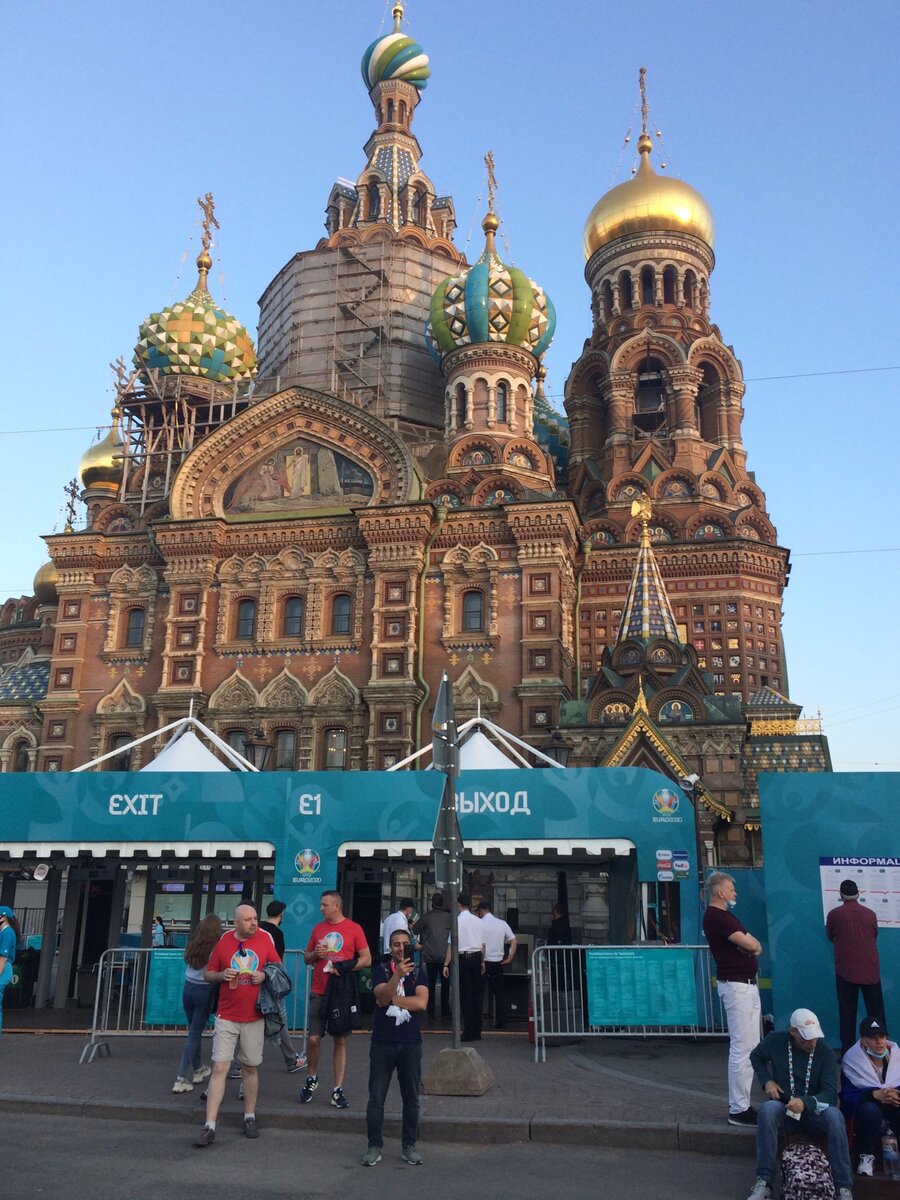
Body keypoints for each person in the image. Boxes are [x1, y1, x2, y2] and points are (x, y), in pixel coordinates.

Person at [193, 903, 281, 1147]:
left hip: (255, 1016)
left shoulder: (264, 940)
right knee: (220, 1067)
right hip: (227, 1016)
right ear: (236, 923)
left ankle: (249, 1116)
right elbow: (208, 974)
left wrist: (264, 975)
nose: (254, 923)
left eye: (255, 918)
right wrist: (222, 975)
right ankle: (209, 1125)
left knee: (250, 1068)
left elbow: (278, 968)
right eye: (248, 920)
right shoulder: (224, 942)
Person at [746, 1008, 853, 1200]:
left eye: (814, 1038)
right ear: (793, 1032)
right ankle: (764, 1181)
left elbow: (830, 1095)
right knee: (768, 1110)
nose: (812, 1043)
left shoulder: (825, 1052)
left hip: (814, 1113)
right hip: (785, 1109)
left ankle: (843, 1187)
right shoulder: (776, 1041)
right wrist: (767, 1081)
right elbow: (755, 1056)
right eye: (805, 1039)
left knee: (835, 1116)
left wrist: (806, 1102)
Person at [360, 927, 428, 1168]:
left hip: (410, 1043)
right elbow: (380, 995)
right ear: (390, 947)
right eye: (396, 944)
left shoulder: (419, 972)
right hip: (383, 1042)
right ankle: (374, 1146)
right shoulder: (380, 970)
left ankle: (409, 1145)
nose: (400, 948)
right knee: (376, 1097)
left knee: (411, 1098)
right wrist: (397, 976)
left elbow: (421, 1003)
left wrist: (392, 999)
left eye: (404, 944)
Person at [299, 889, 371, 1108]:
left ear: (337, 906)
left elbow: (366, 959)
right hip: (319, 990)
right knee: (313, 1039)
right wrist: (315, 954)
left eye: (325, 905)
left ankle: (337, 1089)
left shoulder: (354, 928)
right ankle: (311, 1077)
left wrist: (344, 967)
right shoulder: (318, 929)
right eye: (321, 905)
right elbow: (306, 957)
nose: (321, 908)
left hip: (341, 993)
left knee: (340, 1039)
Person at [703, 870, 762, 1126]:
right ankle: (738, 1108)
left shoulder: (726, 917)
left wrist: (752, 946)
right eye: (731, 889)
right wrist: (750, 946)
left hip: (744, 985)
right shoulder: (718, 917)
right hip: (737, 987)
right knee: (742, 1046)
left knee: (750, 1045)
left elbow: (755, 945)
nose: (735, 893)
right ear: (720, 892)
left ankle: (742, 1104)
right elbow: (751, 945)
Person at [825, 878, 884, 1055]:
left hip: (846, 970)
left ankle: (848, 1052)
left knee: (847, 1012)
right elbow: (874, 935)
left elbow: (830, 935)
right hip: (870, 969)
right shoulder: (870, 914)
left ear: (841, 895)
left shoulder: (835, 914)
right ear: (858, 894)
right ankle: (881, 1049)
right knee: (876, 1012)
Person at [841, 1015, 900, 1177]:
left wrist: (895, 1094)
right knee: (869, 1110)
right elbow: (847, 1096)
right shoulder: (851, 1060)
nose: (879, 1042)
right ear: (863, 1040)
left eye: (882, 1036)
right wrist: (873, 1094)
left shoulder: (897, 1056)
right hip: (868, 1107)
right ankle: (866, 1158)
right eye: (873, 1038)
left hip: (893, 1105)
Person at [173, 913, 222, 1093]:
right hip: (205, 990)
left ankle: (198, 1068)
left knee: (194, 1031)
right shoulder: (217, 946)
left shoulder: (194, 942)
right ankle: (181, 1077)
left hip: (188, 988)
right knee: (195, 1034)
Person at [259, 899, 305, 1073]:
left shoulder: (258, 929)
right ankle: (291, 1059)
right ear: (281, 914)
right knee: (280, 1019)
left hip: (256, 979)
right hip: (271, 983)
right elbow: (278, 961)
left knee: (257, 1022)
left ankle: (237, 1066)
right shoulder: (277, 934)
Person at [443, 893, 484, 1042]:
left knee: (466, 995)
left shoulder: (457, 922)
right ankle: (477, 1031)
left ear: (459, 905)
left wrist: (446, 964)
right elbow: (483, 944)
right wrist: (482, 962)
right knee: (477, 995)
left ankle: (468, 1031)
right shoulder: (478, 921)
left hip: (463, 959)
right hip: (477, 957)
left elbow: (451, 945)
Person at [477, 900, 517, 1029]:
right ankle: (501, 1022)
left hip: (482, 962)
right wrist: (509, 958)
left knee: (479, 993)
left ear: (481, 911)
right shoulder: (502, 924)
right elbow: (514, 941)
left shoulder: (479, 923)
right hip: (497, 962)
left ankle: (477, 1021)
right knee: (499, 993)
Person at [413, 893, 451, 1021]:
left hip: (430, 955)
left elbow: (415, 930)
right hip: (445, 956)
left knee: (430, 984)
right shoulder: (450, 917)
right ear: (442, 903)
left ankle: (430, 1012)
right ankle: (445, 1012)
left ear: (432, 903)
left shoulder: (427, 917)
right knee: (445, 985)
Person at [0, 905, 22, 1036]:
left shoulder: (7, 933)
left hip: (3, 968)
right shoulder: (4, 932)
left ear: (4, 917)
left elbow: (3, 957)